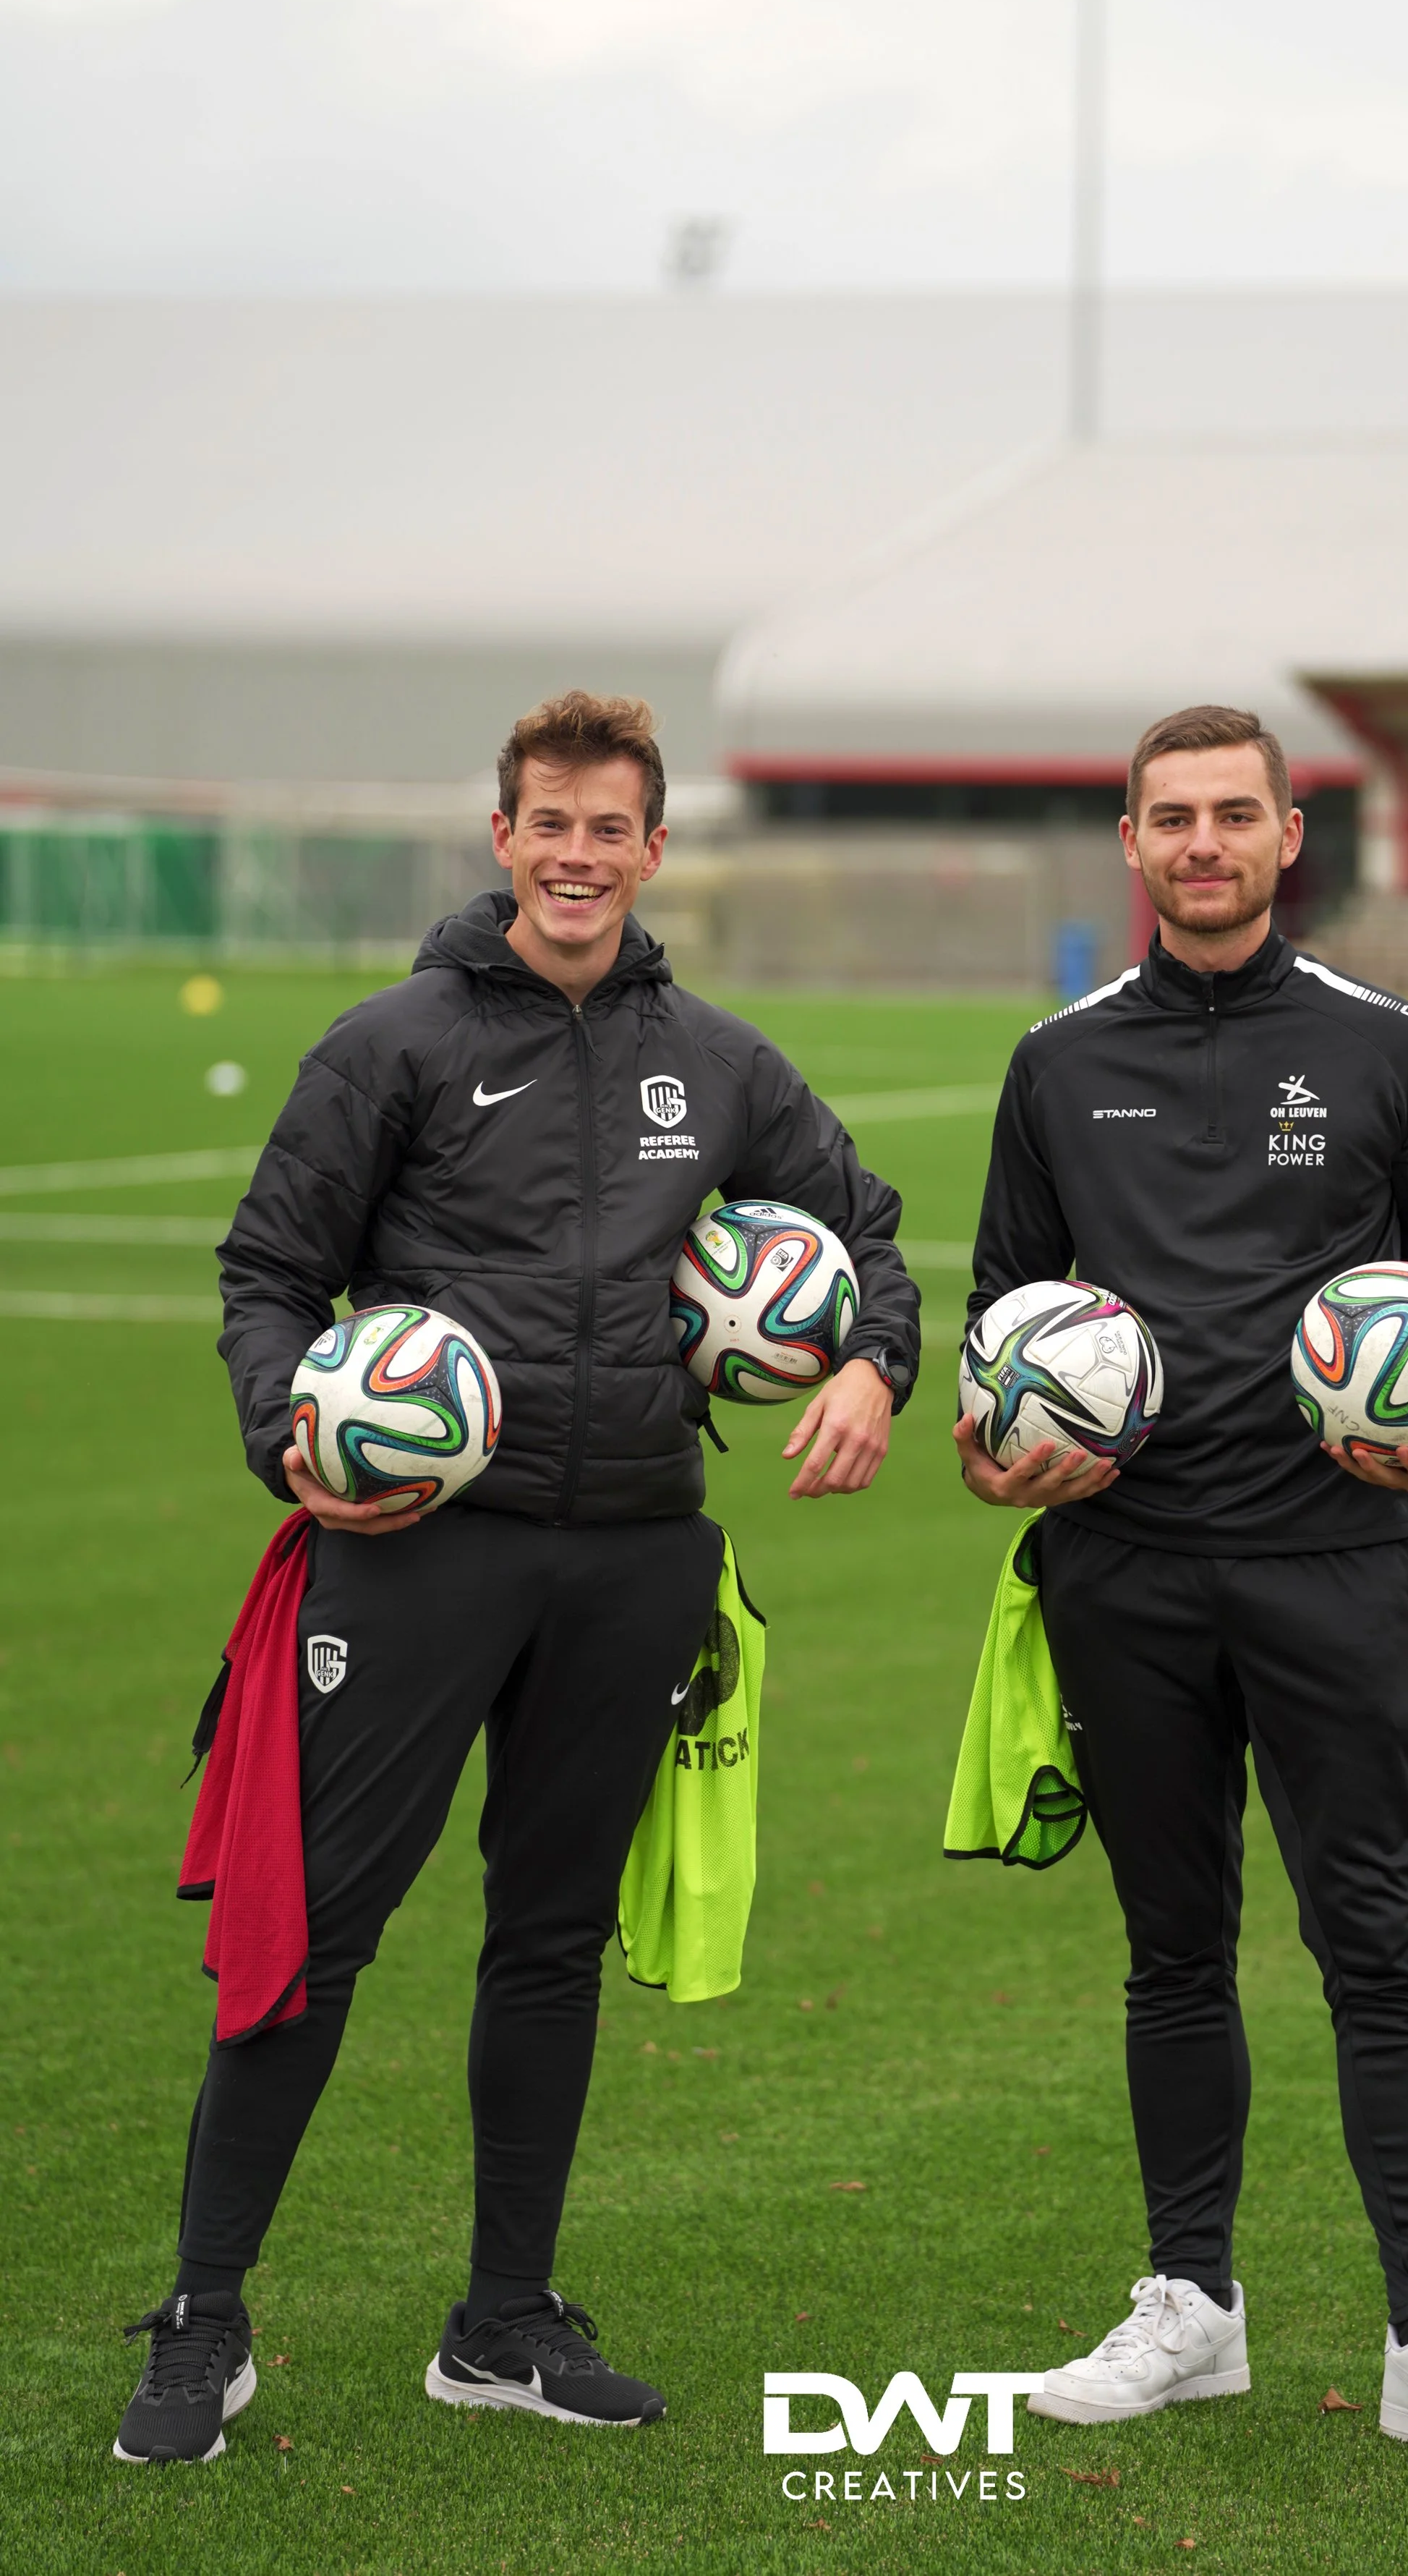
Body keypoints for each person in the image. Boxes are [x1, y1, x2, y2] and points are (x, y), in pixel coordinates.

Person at [114, 690, 919, 2465]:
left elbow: (863, 1229)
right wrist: (290, 1432)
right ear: (502, 840)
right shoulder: (390, 1045)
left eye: (607, 827)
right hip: (416, 1556)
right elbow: (270, 1273)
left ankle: (502, 2323)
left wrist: (873, 1363)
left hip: (634, 1556)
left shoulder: (717, 1061)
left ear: (651, 849)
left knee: (549, 1943)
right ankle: (202, 2318)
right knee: (314, 1935)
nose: (575, 855)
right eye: (547, 824)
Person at [954, 704, 1408, 2475]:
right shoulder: (1055, 1060)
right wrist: (993, 1453)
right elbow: (1002, 1306)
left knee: (1376, 1954)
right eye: (1170, 817)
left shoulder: (1390, 1047)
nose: (1202, 844)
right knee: (1170, 1955)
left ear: (1286, 834)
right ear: (1130, 842)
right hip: (1123, 1570)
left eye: (1232, 814)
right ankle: (1190, 2308)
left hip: (1332, 1564)